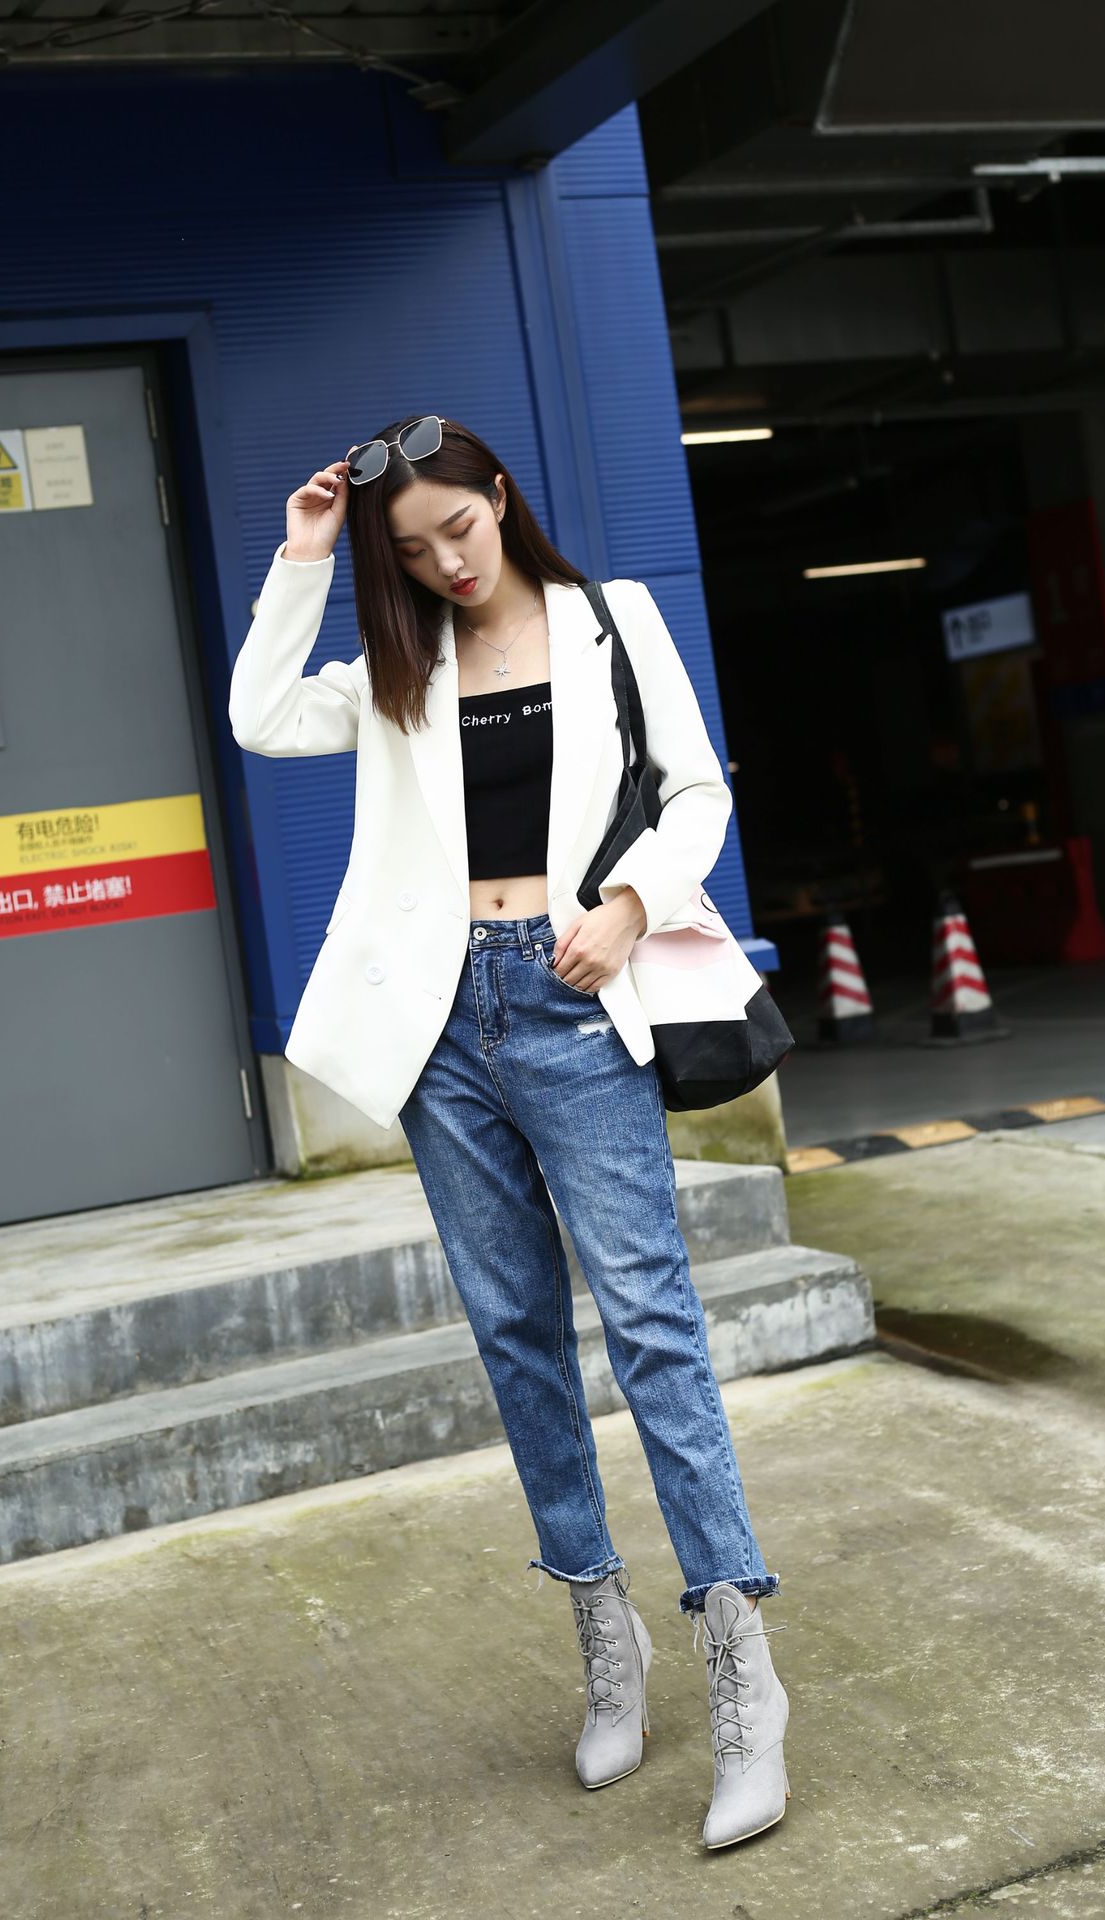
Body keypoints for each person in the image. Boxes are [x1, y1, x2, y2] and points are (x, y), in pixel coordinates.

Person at [228, 414, 791, 1849]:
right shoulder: (397, 664)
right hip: (442, 1024)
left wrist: (628, 907)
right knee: (517, 1336)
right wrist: (306, 558)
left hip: (573, 997)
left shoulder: (615, 621)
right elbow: (261, 716)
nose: (447, 565)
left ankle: (741, 1663)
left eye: (459, 530)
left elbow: (699, 791)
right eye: (414, 552)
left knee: (651, 1321)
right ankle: (606, 1635)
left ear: (499, 495)